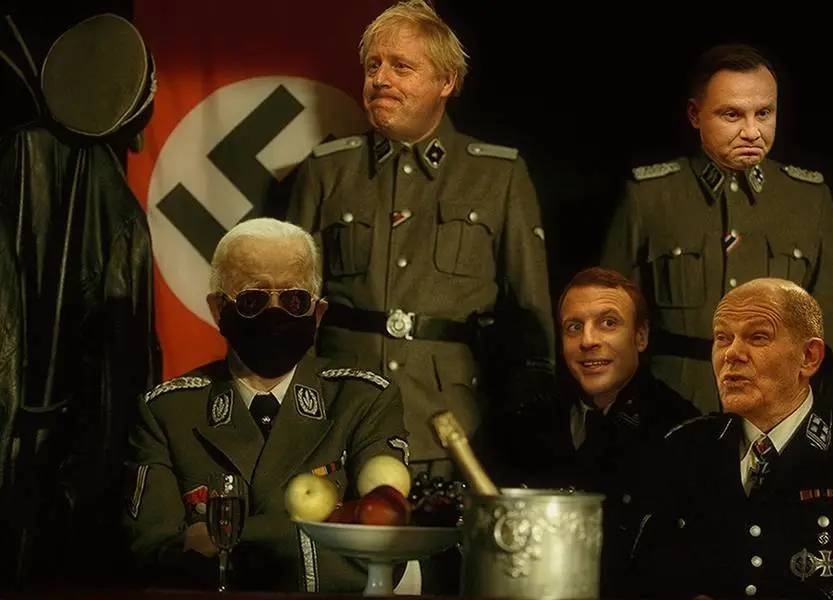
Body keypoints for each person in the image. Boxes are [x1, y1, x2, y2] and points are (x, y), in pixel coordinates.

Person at [266, 0, 555, 485]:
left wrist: (535, 407)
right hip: (338, 416)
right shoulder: (327, 169)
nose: (381, 79)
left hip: (449, 427)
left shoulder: (497, 175)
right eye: (373, 66)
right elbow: (292, 305)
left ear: (446, 81)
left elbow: (531, 312)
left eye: (401, 67)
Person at [121, 218, 409, 594]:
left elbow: (381, 551)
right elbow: (152, 553)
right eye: (253, 300)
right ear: (218, 309)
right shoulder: (167, 413)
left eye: (293, 300)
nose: (275, 314)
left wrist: (224, 540)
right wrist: (312, 537)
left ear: (318, 313)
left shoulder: (363, 401)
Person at [597, 43, 833, 416]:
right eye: (732, 114)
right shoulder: (649, 197)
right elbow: (609, 315)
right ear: (695, 115)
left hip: (774, 404)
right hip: (669, 404)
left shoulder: (809, 198)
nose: (752, 131)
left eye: (764, 113)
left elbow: (827, 325)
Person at [630, 278, 833, 600]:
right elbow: (643, 577)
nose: (731, 354)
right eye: (722, 338)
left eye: (757, 337)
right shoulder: (681, 450)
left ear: (809, 357)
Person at [509, 267, 698, 598]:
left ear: (641, 336)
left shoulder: (681, 431)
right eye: (574, 327)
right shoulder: (529, 425)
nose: (588, 341)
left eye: (608, 323)